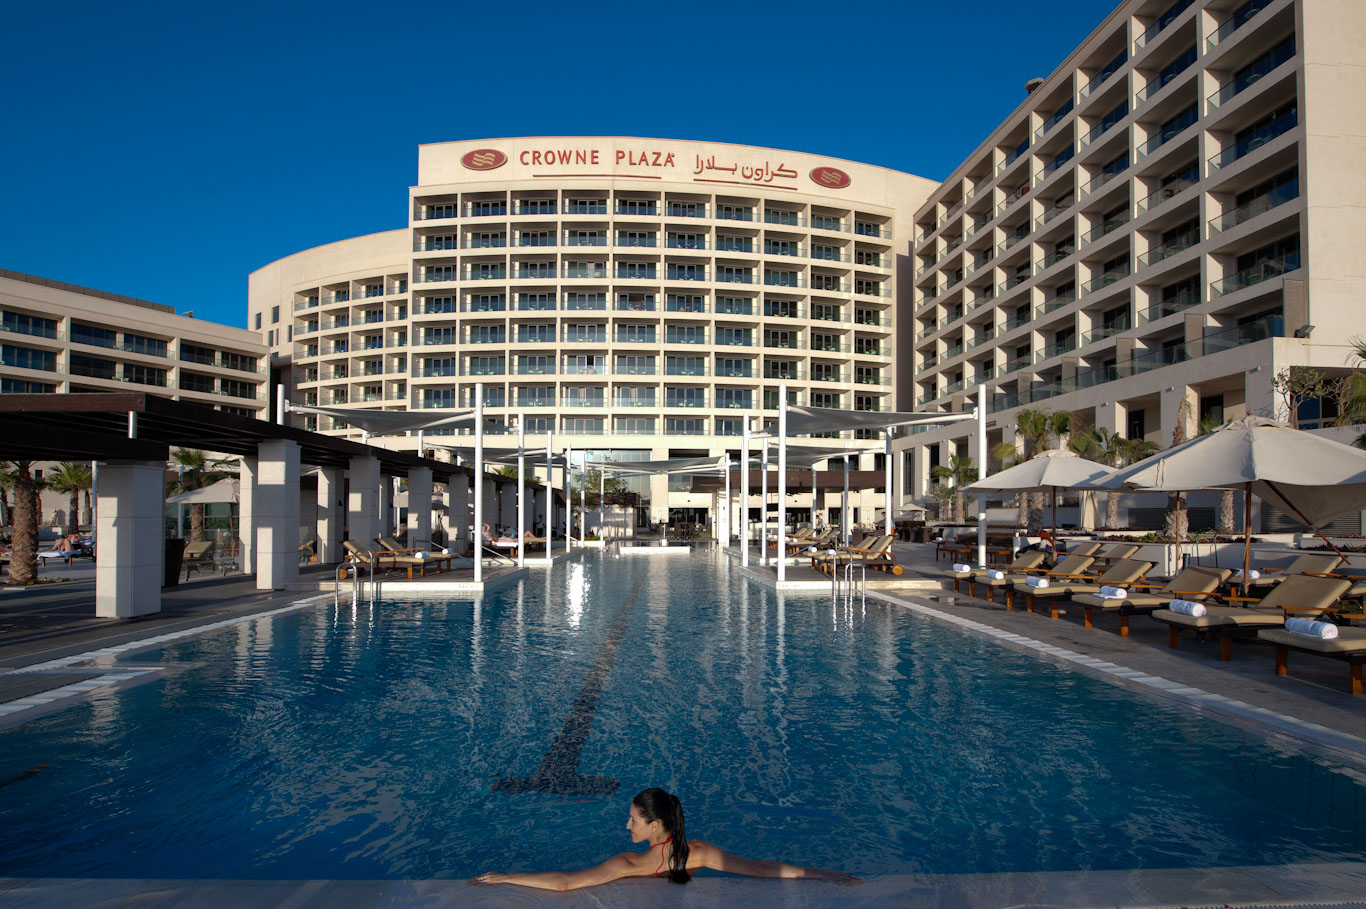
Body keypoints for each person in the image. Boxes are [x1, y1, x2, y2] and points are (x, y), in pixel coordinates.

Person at [473, 788, 856, 891]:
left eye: (633, 820)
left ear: (655, 825)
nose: (627, 826)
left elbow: (564, 883)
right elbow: (758, 869)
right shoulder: (698, 853)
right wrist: (822, 873)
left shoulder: (627, 863)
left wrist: (507, 877)